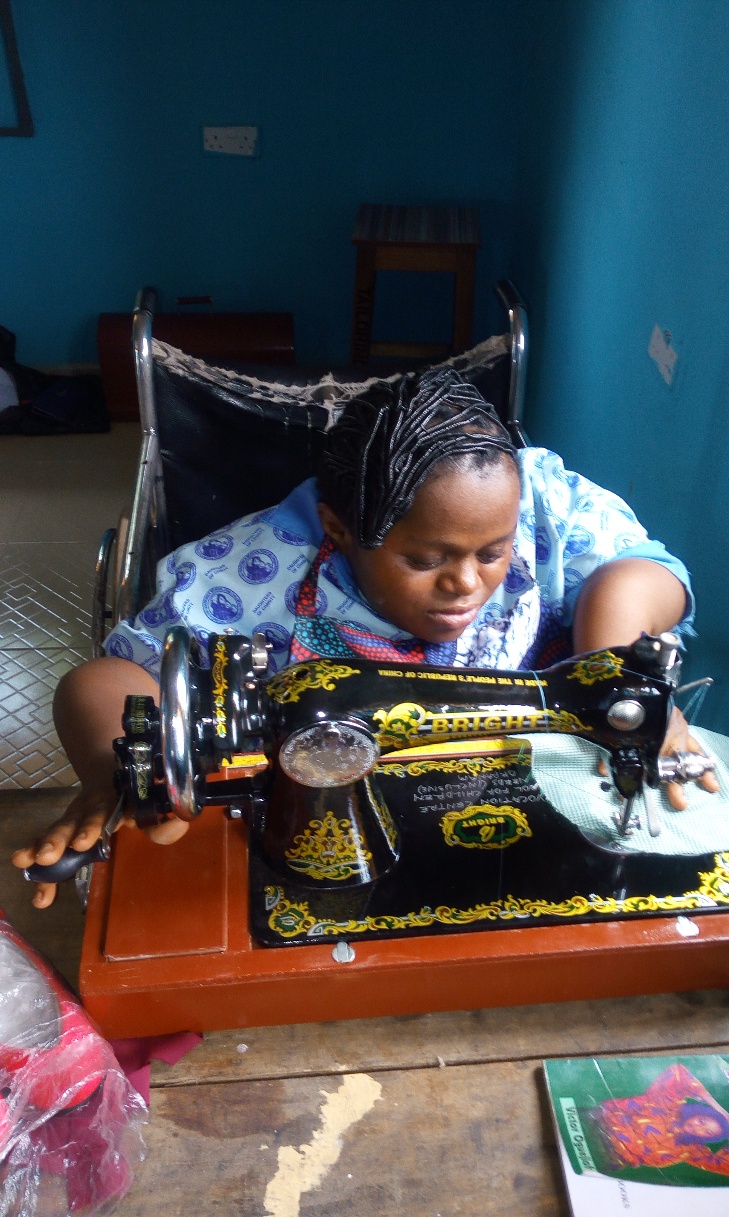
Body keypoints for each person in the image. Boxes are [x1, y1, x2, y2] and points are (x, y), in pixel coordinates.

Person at [13, 368, 717, 906]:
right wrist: (121, 768)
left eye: (492, 554)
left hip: (529, 786)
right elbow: (102, 680)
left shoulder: (538, 501)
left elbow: (644, 574)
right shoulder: (248, 576)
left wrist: (618, 675)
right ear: (340, 531)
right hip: (330, 835)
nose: (466, 583)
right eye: (426, 559)